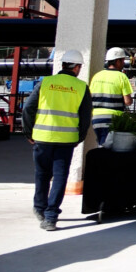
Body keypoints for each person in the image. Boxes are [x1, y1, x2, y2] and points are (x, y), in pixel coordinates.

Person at [23, 49, 91, 232]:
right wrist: (79, 137)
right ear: (77, 67)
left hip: (42, 138)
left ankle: (40, 209)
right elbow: (85, 118)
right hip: (66, 140)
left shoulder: (45, 83)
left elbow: (28, 109)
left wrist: (29, 133)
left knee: (42, 175)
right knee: (60, 177)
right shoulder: (81, 87)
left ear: (62, 65)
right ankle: (51, 217)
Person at [89, 47, 133, 145]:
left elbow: (90, 97)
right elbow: (127, 101)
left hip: (96, 118)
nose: (123, 63)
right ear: (117, 61)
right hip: (113, 119)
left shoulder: (97, 76)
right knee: (109, 148)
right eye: (122, 60)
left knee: (102, 143)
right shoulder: (121, 77)